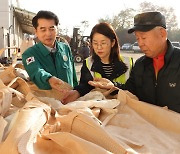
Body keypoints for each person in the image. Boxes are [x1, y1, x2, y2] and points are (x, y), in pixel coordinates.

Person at [89, 12, 180, 113]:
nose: (140, 43)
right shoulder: (140, 64)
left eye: (144, 38)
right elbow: (130, 90)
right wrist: (112, 86)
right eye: (137, 38)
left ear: (162, 34)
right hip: (146, 124)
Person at [63, 22, 133, 103]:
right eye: (95, 43)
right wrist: (77, 92)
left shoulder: (128, 62)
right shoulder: (88, 63)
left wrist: (114, 86)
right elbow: (85, 86)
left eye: (103, 43)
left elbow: (133, 89)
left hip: (124, 108)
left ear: (113, 43)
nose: (99, 47)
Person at [22, 10, 78, 91]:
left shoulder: (65, 48)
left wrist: (76, 92)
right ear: (36, 32)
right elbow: (36, 72)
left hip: (71, 100)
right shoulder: (30, 54)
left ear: (57, 30)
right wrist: (49, 79)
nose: (48, 34)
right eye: (43, 29)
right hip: (48, 102)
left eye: (52, 29)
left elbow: (73, 76)